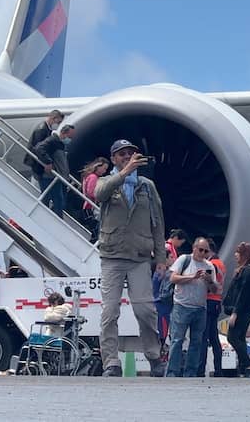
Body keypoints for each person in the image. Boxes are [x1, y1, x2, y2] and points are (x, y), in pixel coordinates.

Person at [94, 139, 167, 378]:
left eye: (131, 153)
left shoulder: (147, 187)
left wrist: (161, 257)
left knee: (145, 310)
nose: (127, 156)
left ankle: (154, 356)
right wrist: (124, 173)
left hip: (139, 256)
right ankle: (111, 362)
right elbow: (98, 194)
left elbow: (157, 223)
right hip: (112, 256)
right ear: (113, 159)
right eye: (122, 154)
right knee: (109, 311)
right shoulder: (107, 182)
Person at [165, 237, 218, 377]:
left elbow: (215, 290)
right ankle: (172, 372)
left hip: (200, 308)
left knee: (197, 342)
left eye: (206, 251)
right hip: (182, 306)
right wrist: (192, 277)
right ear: (194, 249)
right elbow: (173, 278)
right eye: (201, 250)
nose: (203, 253)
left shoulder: (209, 266)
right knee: (177, 340)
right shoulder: (184, 260)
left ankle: (191, 373)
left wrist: (210, 281)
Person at [223, 241, 250, 377]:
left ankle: (249, 366)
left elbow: (243, 293)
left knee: (232, 337)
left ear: (244, 255)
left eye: (238, 252)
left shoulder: (248, 271)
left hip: (244, 310)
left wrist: (235, 313)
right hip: (246, 310)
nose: (235, 255)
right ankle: (244, 368)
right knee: (239, 338)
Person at [33, 124, 76, 218]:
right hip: (50, 177)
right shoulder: (53, 141)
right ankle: (52, 218)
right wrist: (48, 162)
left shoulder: (60, 144)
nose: (70, 139)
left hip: (57, 178)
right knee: (56, 200)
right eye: (70, 137)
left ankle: (52, 217)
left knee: (58, 200)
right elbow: (39, 148)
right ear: (63, 133)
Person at [198, 238, 225, 377]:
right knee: (214, 337)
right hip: (217, 302)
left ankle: (200, 369)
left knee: (204, 337)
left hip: (209, 301)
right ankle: (218, 369)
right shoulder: (221, 263)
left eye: (205, 251)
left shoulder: (211, 265)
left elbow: (208, 283)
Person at [80, 157, 109, 241]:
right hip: (90, 207)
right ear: (98, 166)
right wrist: (101, 196)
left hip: (88, 206)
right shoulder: (93, 177)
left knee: (95, 229)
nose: (104, 171)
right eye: (104, 168)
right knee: (96, 229)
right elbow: (90, 192)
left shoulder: (89, 176)